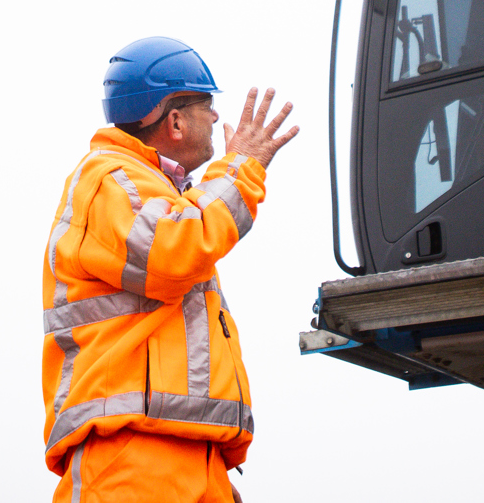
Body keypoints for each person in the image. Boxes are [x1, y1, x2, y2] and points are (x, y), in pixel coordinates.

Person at [41, 36, 297, 503]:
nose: (218, 118)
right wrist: (241, 167)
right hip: (133, 460)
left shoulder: (158, 194)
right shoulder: (110, 178)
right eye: (207, 105)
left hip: (187, 455)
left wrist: (210, 471)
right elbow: (175, 249)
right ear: (175, 120)